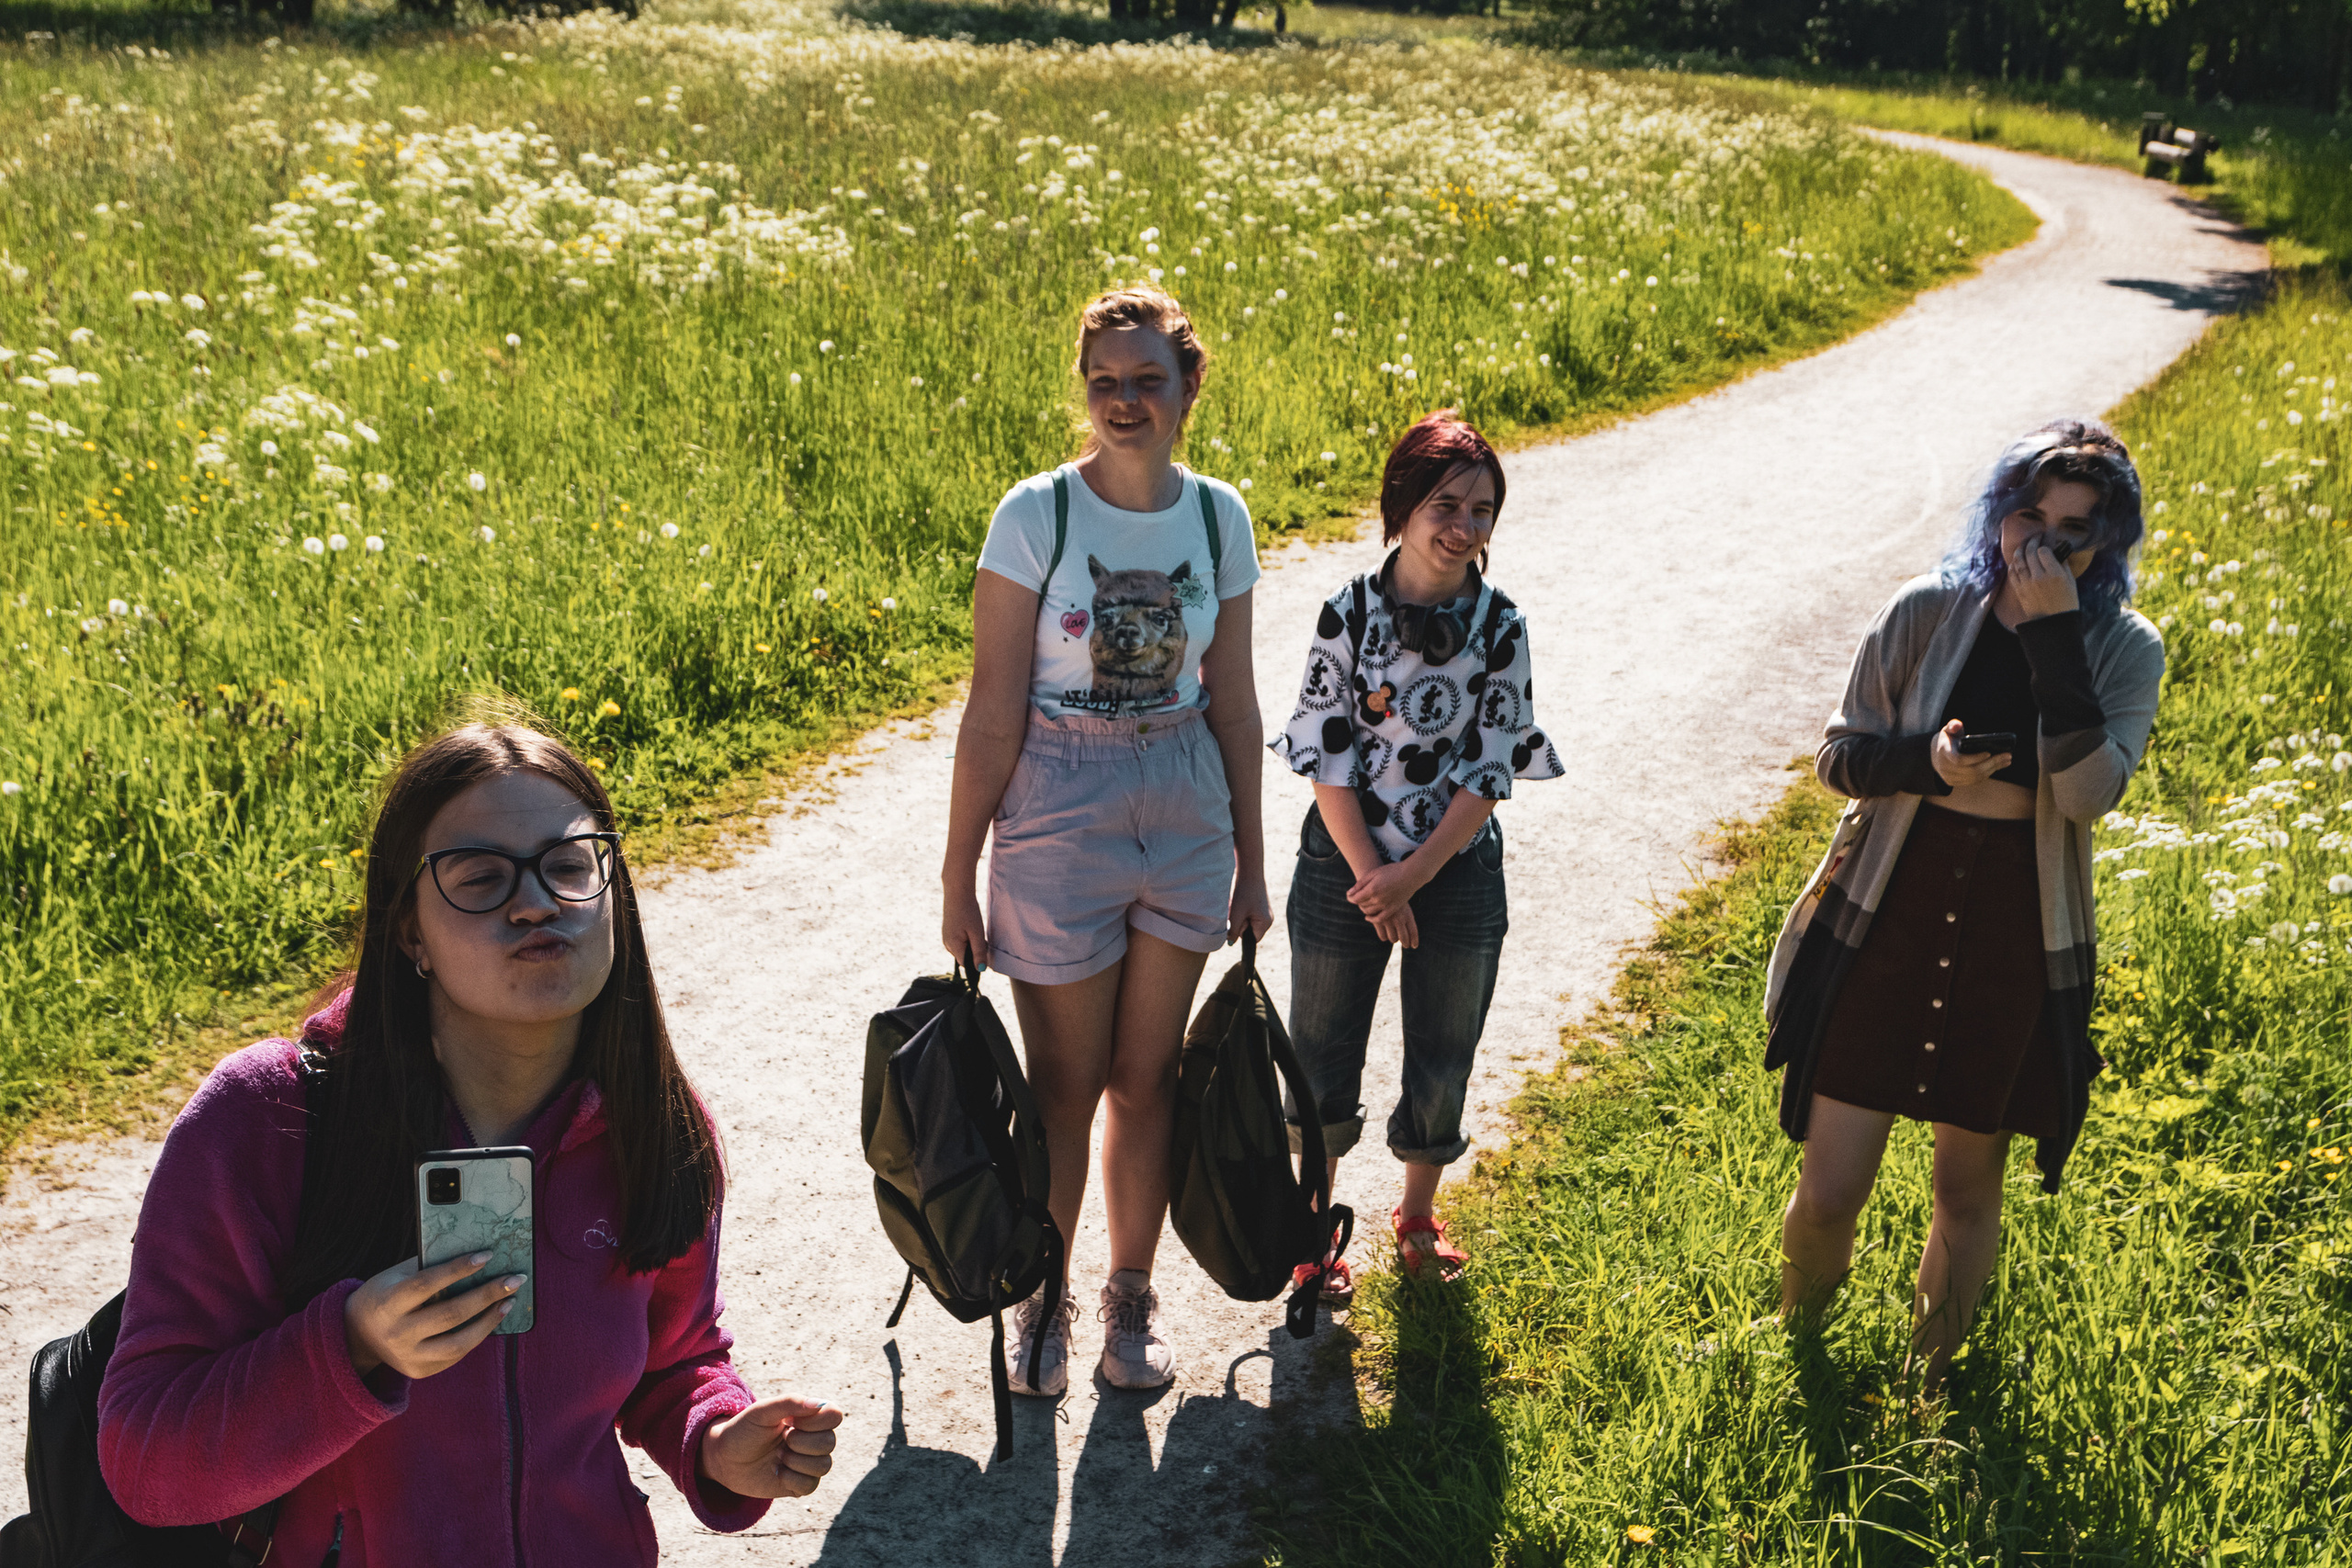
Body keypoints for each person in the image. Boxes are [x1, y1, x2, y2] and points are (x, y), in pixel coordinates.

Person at [97, 720, 841, 1564]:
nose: (536, 902)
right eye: (481, 877)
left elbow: (675, 1359)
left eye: (569, 865)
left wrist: (714, 1437)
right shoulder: (267, 1118)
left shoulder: (655, 1123)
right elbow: (144, 1460)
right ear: (409, 930)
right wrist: (352, 1345)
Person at [1764, 418, 2165, 1387]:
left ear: (2107, 540)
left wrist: (2055, 635)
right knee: (1830, 1186)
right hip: (1887, 912)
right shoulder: (1926, 608)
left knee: (1966, 1190)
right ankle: (1793, 1351)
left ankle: (1928, 1391)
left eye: (2073, 530)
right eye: (2028, 517)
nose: (2041, 546)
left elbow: (2088, 795)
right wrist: (1927, 766)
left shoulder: (2123, 647)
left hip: (2013, 931)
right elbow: (1838, 757)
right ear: (1998, 511)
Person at [940, 284, 1271, 1398]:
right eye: (1102, 382)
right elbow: (992, 707)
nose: (1123, 401)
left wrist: (1255, 862)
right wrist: (957, 873)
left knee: (1148, 1077)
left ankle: (1131, 1295)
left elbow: (1235, 703)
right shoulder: (1037, 514)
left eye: (1145, 380)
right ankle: (1046, 1294)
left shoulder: (1218, 517)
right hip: (1059, 798)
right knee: (1064, 1085)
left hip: (1184, 797)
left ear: (1189, 385)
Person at [1269, 410, 1563, 1299]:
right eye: (1445, 504)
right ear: (1401, 507)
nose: (1463, 526)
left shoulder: (1501, 624)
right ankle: (1312, 1233)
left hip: (1455, 866)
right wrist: (1376, 880)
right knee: (1320, 1052)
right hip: (1344, 865)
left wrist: (1414, 876)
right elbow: (1324, 753)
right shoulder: (1348, 611)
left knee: (1444, 1047)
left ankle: (1418, 1214)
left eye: (1482, 510)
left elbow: (1490, 766)